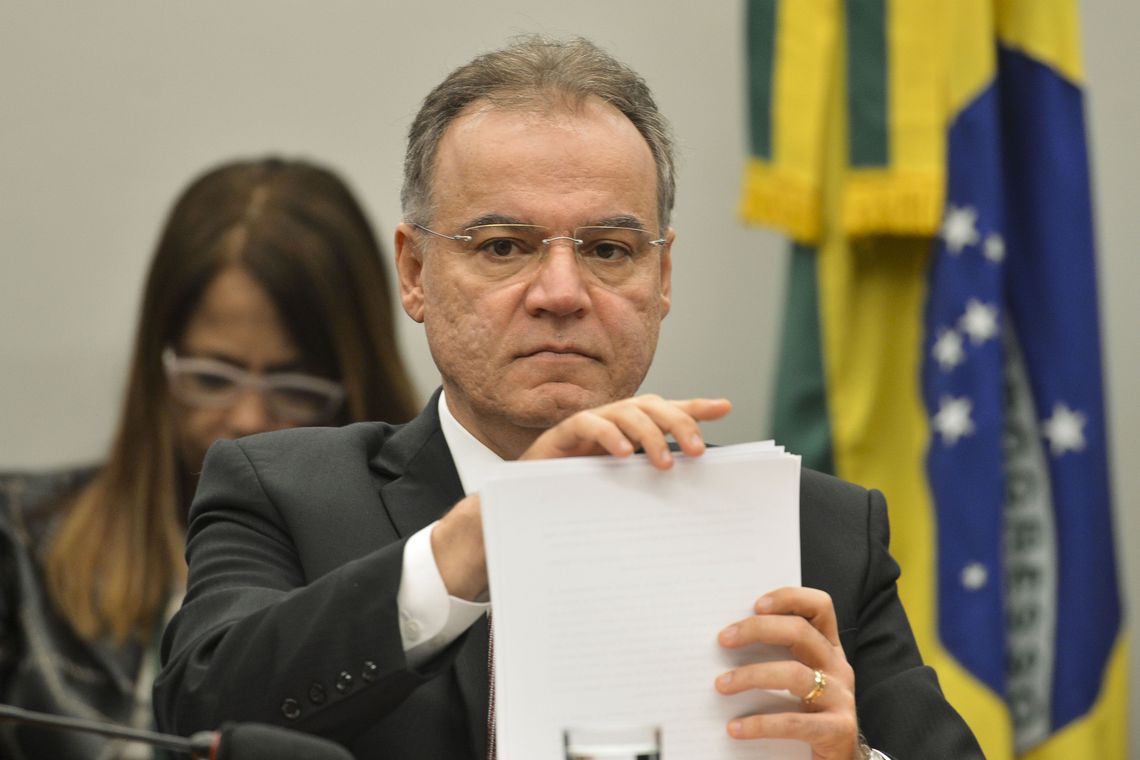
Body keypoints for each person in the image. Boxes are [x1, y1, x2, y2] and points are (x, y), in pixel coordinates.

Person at [154, 38, 984, 760]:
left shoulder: (819, 534)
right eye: (504, 246)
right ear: (414, 272)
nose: (561, 292)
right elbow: (200, 713)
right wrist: (481, 535)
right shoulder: (284, 493)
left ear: (662, 277)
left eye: (608, 249)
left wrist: (854, 755)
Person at [0, 157, 419, 759]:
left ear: (357, 384)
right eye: (212, 378)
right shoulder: (18, 542)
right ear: (158, 368)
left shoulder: (424, 573)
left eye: (294, 386)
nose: (246, 418)